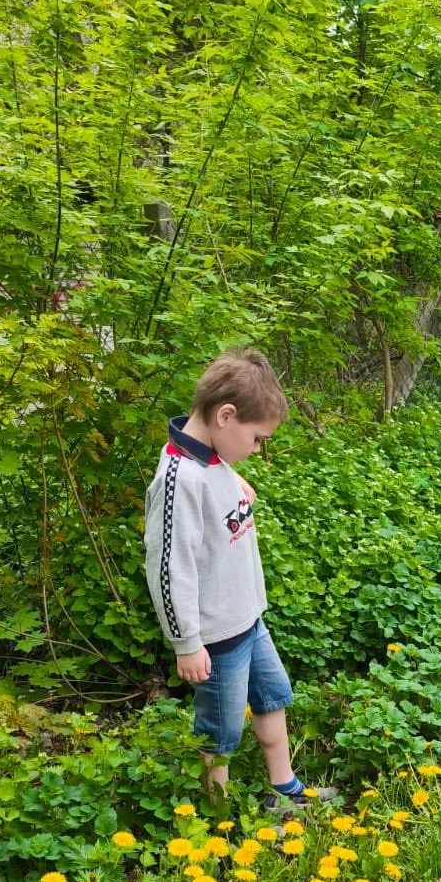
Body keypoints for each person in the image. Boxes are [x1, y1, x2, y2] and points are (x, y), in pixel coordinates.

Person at [144, 348, 311, 814]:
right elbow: (167, 568)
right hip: (217, 636)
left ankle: (284, 789)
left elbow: (212, 461)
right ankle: (216, 817)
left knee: (272, 697)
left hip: (249, 620)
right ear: (226, 415)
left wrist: (232, 473)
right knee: (220, 733)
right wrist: (186, 643)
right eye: (258, 439)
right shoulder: (179, 480)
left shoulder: (211, 457)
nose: (259, 450)